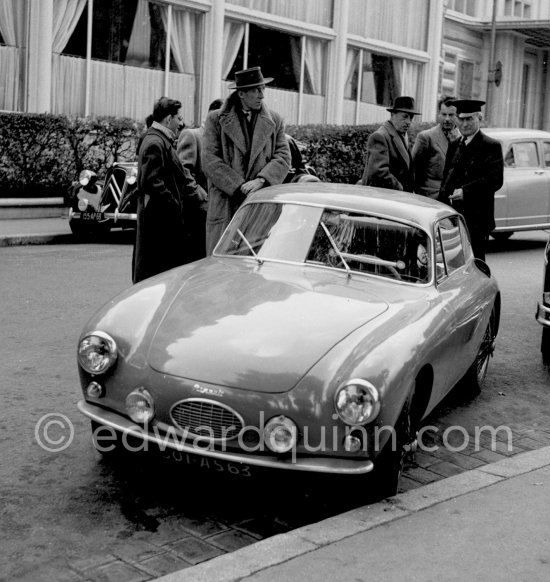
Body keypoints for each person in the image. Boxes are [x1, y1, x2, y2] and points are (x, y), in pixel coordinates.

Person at [203, 66, 291, 254]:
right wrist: (240, 186)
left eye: (263, 89)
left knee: (254, 265)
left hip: (260, 206)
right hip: (227, 206)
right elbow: (210, 160)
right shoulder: (216, 120)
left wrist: (261, 181)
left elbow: (283, 157)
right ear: (242, 93)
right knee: (221, 266)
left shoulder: (275, 120)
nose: (262, 95)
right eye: (256, 90)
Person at [132, 96, 207, 283]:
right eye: (178, 118)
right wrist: (174, 203)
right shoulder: (155, 142)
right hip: (159, 221)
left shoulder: (157, 139)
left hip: (158, 218)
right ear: (168, 119)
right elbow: (152, 181)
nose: (180, 122)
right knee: (155, 272)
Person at [439, 99, 504, 261]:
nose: (465, 124)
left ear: (479, 119)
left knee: (476, 264)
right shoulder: (454, 145)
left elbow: (495, 180)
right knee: (452, 264)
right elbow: (446, 179)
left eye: (470, 119)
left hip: (477, 220)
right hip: (452, 218)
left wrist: (465, 191)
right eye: (461, 119)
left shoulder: (491, 146)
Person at [176, 98, 224, 259]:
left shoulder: (220, 141)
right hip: (196, 216)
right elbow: (183, 171)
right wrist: (202, 197)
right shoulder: (192, 135)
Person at [361, 96, 420, 193]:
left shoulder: (402, 135)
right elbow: (378, 173)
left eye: (411, 117)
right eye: (404, 117)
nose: (408, 122)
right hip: (384, 198)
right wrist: (401, 190)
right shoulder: (380, 136)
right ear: (393, 114)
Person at [412, 95, 460, 198]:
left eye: (451, 115)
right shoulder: (426, 137)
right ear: (438, 114)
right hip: (430, 198)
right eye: (444, 114)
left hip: (453, 199)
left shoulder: (462, 139)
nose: (447, 119)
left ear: (458, 116)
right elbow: (413, 170)